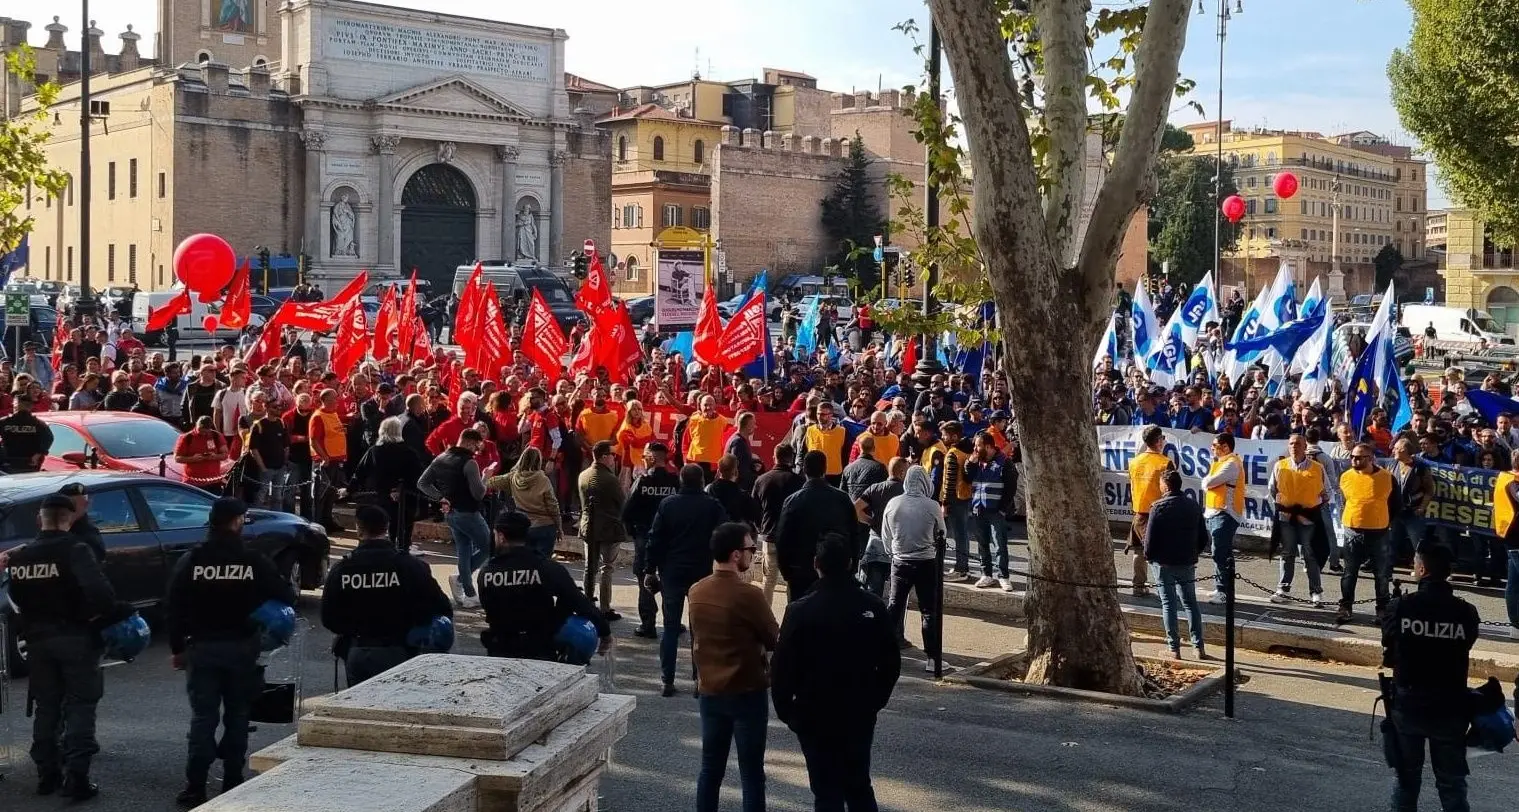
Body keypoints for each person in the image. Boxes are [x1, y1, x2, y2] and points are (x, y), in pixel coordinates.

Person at [164, 497, 296, 807]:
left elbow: (173, 606)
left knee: (203, 718)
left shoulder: (192, 560)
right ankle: (233, 781)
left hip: (202, 648)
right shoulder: (253, 561)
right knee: (237, 717)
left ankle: (195, 785)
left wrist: (177, 648)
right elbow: (286, 594)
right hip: (241, 649)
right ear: (237, 521)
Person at [773, 533, 902, 812]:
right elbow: (891, 662)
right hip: (858, 709)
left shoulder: (800, 610)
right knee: (858, 784)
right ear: (851, 564)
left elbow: (782, 668)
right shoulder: (871, 606)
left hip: (813, 711)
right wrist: (875, 699)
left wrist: (789, 712)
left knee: (826, 790)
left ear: (816, 564)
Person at [5, 495, 122, 800]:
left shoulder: (21, 557)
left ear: (39, 520)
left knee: (47, 705)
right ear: (69, 520)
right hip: (77, 638)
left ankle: (47, 773)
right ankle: (77, 778)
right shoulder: (76, 549)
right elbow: (102, 594)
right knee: (81, 705)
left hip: (38, 642)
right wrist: (97, 614)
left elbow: (16, 598)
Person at [1381, 544, 1481, 812]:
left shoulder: (1400, 606)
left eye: (1415, 563)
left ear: (1422, 569)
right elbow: (1466, 644)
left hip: (1409, 704)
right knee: (1452, 785)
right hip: (1450, 707)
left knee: (1406, 781)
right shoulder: (1466, 612)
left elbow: (1388, 648)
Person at [689, 522, 780, 812]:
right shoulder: (749, 595)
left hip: (711, 689)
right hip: (746, 690)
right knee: (752, 774)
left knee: (710, 770)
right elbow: (774, 638)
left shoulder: (697, 590)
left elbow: (696, 638)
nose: (754, 554)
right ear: (734, 555)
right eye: (751, 549)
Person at [321, 505, 453, 685]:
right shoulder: (410, 566)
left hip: (359, 652)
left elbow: (328, 618)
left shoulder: (342, 569)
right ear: (387, 527)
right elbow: (441, 607)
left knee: (358, 709)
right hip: (400, 651)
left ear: (358, 529)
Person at [476, 510, 611, 660]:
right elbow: (579, 601)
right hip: (539, 650)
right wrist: (605, 632)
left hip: (500, 651)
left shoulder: (486, 574)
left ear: (501, 537)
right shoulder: (546, 568)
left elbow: (489, 608)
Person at [646, 464, 729, 697]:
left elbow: (656, 539)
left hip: (672, 570)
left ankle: (667, 680)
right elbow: (725, 533)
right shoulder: (712, 506)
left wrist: (649, 569)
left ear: (681, 480)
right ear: (702, 481)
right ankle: (699, 679)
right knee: (700, 629)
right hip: (701, 571)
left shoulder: (668, 504)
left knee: (670, 627)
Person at [418, 428, 491, 609]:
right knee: (490, 547)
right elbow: (479, 493)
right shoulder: (470, 463)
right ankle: (461, 580)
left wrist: (440, 498)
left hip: (451, 513)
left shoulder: (441, 458)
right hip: (469, 513)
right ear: (468, 442)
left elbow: (422, 483)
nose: (477, 449)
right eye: (476, 445)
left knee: (464, 551)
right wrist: (486, 477)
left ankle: (469, 592)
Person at [884, 465, 947, 673]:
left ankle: (884, 652)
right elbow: (942, 534)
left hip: (900, 560)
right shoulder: (932, 506)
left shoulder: (894, 503)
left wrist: (893, 552)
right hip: (926, 562)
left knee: (895, 606)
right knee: (929, 610)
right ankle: (932, 658)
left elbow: (886, 534)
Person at [774, 450, 860, 603]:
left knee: (801, 618)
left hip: (801, 572)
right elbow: (854, 535)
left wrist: (787, 572)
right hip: (835, 571)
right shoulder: (842, 499)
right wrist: (851, 568)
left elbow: (782, 539)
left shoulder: (793, 501)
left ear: (804, 470)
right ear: (825, 469)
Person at [1143, 471, 1209, 659]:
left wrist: (1150, 557)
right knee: (1190, 603)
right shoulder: (1193, 505)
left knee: (1168, 604)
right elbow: (1203, 536)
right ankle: (1199, 646)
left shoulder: (1158, 507)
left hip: (1163, 562)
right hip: (1187, 560)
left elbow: (1149, 539)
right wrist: (1193, 553)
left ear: (1165, 485)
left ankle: (1174, 648)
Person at [622, 442, 680, 637]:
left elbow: (627, 510)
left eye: (645, 457)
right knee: (669, 581)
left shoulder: (643, 481)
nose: (643, 460)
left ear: (652, 458)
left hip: (644, 536)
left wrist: (634, 531)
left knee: (644, 580)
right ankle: (673, 621)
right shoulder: (674, 482)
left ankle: (648, 624)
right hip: (669, 540)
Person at [1269, 432, 1332, 607]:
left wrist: (1312, 507)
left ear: (1305, 447)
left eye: (1297, 444)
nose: (1293, 447)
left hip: (1308, 519)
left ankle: (1316, 591)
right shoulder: (1280, 466)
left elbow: (1326, 493)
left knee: (1310, 554)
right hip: (1286, 517)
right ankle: (1283, 589)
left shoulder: (1317, 468)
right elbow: (1273, 490)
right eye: (1291, 444)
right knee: (1287, 553)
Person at [352, 416, 426, 554]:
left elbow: (360, 472)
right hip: (404, 496)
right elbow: (417, 474)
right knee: (404, 525)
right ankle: (403, 548)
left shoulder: (374, 451)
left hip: (380, 495)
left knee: (380, 524)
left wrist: (350, 489)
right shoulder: (408, 452)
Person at [577, 439, 627, 620]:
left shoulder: (583, 475)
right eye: (612, 455)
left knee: (589, 568)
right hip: (609, 528)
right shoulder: (609, 479)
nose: (614, 458)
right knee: (607, 568)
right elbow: (622, 504)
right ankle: (605, 608)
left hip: (587, 525)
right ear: (604, 457)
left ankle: (587, 602)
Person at [965, 430, 1018, 591]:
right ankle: (986, 574)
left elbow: (1011, 488)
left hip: (996, 510)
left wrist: (1003, 509)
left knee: (999, 544)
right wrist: (970, 463)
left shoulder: (1004, 462)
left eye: (978, 446)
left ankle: (1003, 576)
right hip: (978, 508)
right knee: (982, 544)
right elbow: (968, 478)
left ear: (988, 446)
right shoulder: (977, 461)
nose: (975, 448)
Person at [1126, 425, 1173, 598]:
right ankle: (1164, 589)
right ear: (1159, 441)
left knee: (1138, 551)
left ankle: (1138, 585)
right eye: (1163, 439)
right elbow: (1170, 490)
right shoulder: (1165, 463)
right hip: (1159, 513)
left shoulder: (1134, 462)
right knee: (1160, 553)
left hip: (1139, 512)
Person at [752, 445, 804, 603]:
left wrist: (761, 527)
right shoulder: (799, 482)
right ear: (791, 458)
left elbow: (754, 508)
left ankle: (765, 617)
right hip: (792, 538)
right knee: (792, 581)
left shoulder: (762, 480)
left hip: (770, 534)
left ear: (775, 457)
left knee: (768, 580)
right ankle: (791, 616)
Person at [854, 457, 907, 599]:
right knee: (896, 595)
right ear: (902, 473)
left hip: (876, 544)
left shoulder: (875, 488)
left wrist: (870, 521)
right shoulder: (906, 492)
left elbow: (856, 508)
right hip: (898, 547)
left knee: (872, 591)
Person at [1202, 432, 1244, 604]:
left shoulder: (1232, 464)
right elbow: (1208, 482)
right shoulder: (1220, 462)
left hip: (1226, 513)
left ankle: (1223, 590)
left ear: (1226, 447)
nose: (1212, 449)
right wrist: (1207, 482)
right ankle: (1223, 588)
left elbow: (1208, 483)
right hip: (1215, 511)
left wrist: (1207, 482)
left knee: (1219, 550)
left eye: (1215, 446)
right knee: (1221, 551)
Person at [309, 389, 349, 533]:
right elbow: (314, 440)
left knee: (331, 494)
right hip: (325, 462)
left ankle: (328, 520)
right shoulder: (318, 417)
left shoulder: (333, 414)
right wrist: (324, 456)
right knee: (322, 494)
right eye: (333, 399)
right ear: (325, 400)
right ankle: (318, 522)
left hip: (336, 460)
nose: (336, 401)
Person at [1494, 454, 1519, 638]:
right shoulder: (1512, 481)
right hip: (1515, 535)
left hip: (1511, 534)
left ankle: (1516, 624)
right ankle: (1516, 623)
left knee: (1514, 580)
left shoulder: (1507, 477)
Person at [0, 391, 54, 472]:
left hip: (14, 462)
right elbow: (49, 438)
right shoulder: (39, 424)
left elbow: (49, 438)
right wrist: (38, 454)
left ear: (15, 405)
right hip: (27, 462)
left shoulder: (4, 422)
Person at [707, 454, 761, 529]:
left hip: (712, 534)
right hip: (734, 535)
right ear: (736, 472)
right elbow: (755, 515)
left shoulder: (708, 490)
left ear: (718, 471)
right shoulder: (743, 496)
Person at [804, 401, 848, 486]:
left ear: (831, 415)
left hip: (834, 475)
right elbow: (805, 451)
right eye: (818, 414)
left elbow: (845, 454)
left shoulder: (841, 431)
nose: (820, 417)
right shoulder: (810, 430)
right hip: (814, 475)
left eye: (823, 414)